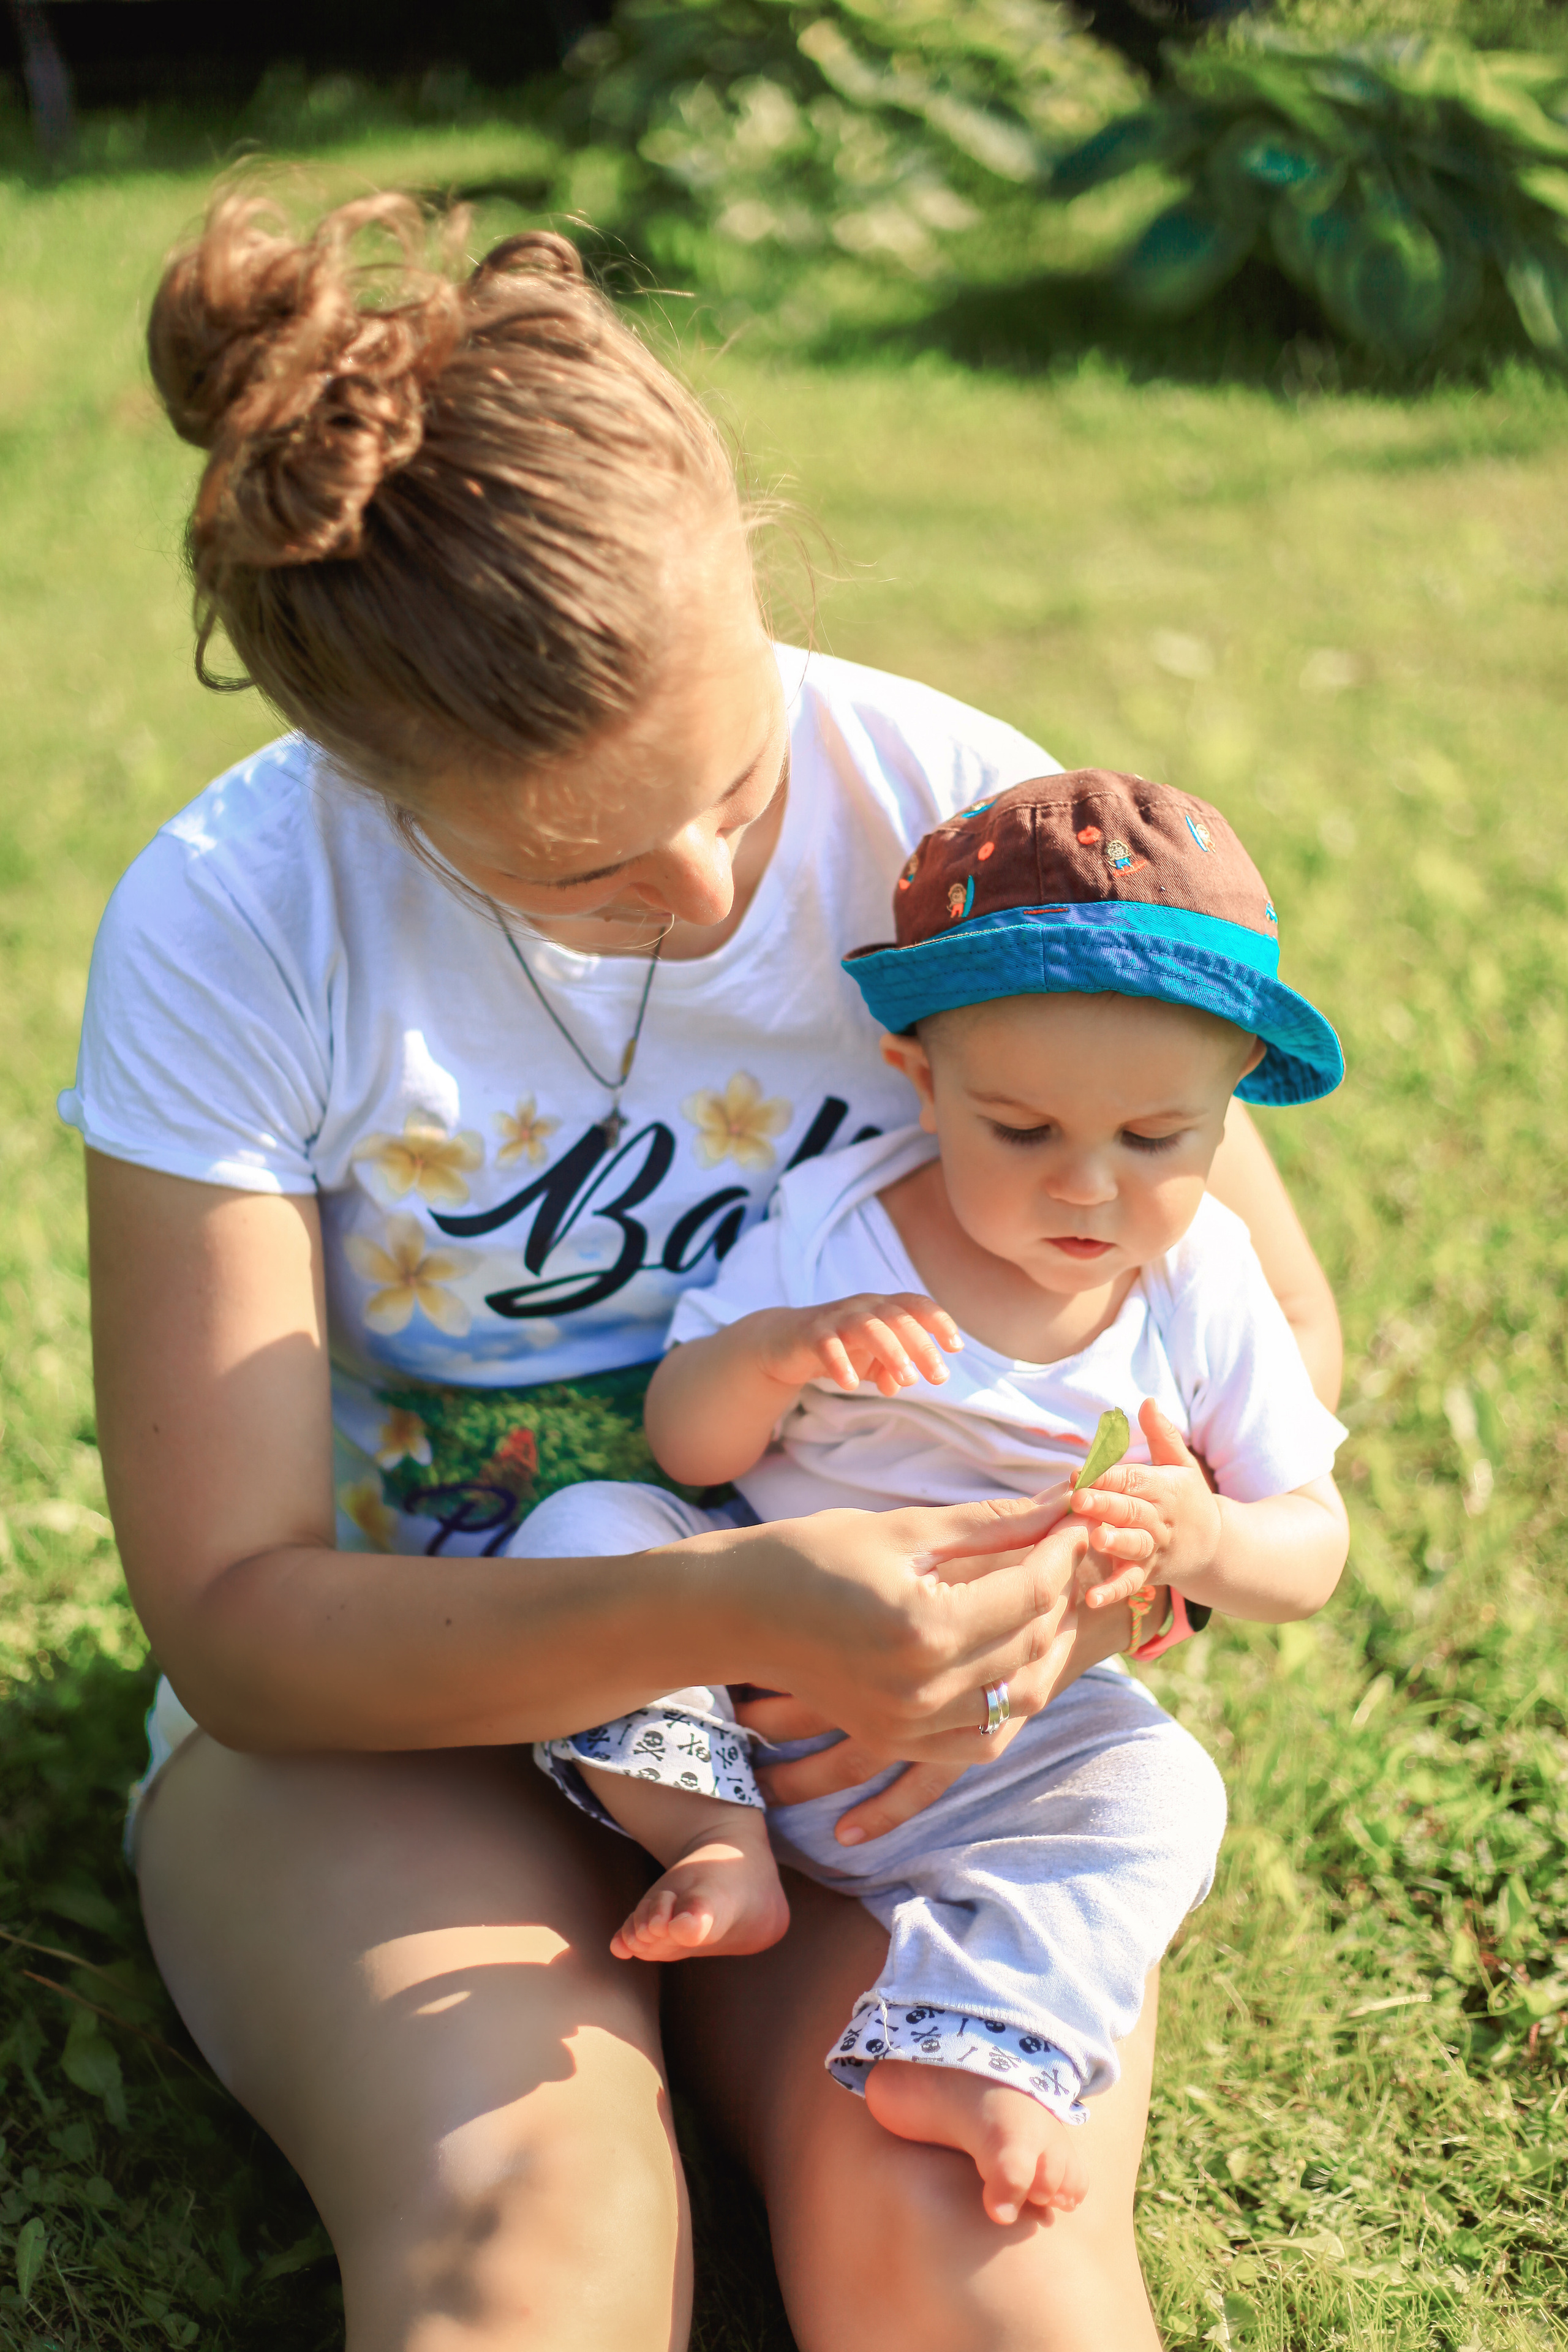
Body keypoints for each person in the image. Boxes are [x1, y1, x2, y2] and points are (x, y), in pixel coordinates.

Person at [64, 183, 1344, 2350]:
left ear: (752, 557)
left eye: (734, 778)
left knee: (978, 2256)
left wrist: (1107, 1569)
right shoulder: (243, 917)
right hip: (399, 1729)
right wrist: (732, 1601)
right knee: (539, 2242)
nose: (705, 879)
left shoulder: (960, 812)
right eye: (576, 863)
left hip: (880, 1751)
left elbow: (1253, 1308)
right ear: (369, 780)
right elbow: (252, 1628)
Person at [513, 771, 1349, 2228]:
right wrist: (771, 1353)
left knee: (1159, 1791)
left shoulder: (1197, 1281)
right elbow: (686, 1448)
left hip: (995, 1721)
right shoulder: (840, 1220)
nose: (1086, 1187)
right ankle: (705, 1843)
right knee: (582, 1532)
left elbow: (1312, 1547)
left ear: (1225, 1113)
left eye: (1154, 1142)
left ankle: (977, 2045)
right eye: (1020, 1131)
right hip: (750, 1665)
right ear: (922, 1080)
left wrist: (1205, 1538)